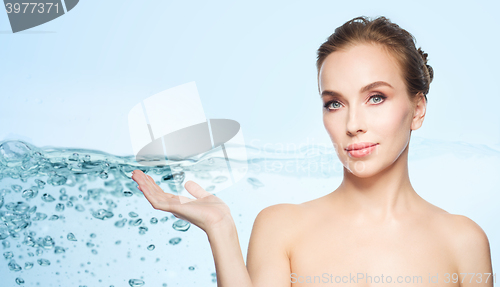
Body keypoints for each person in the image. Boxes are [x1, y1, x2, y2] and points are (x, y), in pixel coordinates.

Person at [131, 16, 493, 287]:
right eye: (334, 103)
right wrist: (220, 229)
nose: (353, 124)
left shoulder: (463, 241)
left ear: (417, 109)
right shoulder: (281, 227)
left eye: (376, 98)